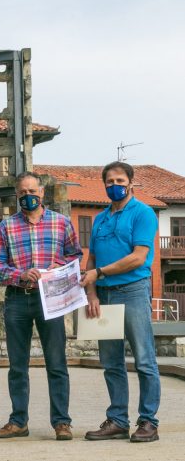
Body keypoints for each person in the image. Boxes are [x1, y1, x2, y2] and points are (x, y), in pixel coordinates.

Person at [0, 171, 81, 441]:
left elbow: (75, 255)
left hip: (51, 298)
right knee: (18, 365)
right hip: (18, 299)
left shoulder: (61, 223)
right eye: (22, 193)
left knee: (56, 363)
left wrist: (59, 266)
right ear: (16, 195)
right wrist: (20, 275)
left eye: (32, 191)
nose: (28, 196)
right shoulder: (6, 227)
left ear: (42, 193)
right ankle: (19, 421)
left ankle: (62, 423)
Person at [79, 161, 161, 443]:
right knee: (111, 362)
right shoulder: (100, 218)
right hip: (105, 295)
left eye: (119, 180)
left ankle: (148, 421)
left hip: (133, 291)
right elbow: (90, 259)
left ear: (131, 183)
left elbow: (138, 257)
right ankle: (117, 420)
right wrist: (92, 293)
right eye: (109, 181)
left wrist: (99, 272)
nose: (114, 185)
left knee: (144, 359)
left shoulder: (143, 213)